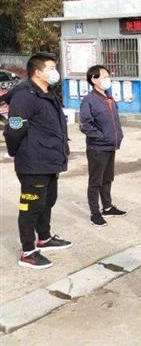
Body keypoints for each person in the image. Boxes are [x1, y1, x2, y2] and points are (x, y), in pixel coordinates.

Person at [3, 53, 72, 269]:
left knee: (47, 201)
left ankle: (44, 237)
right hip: (33, 163)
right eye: (51, 68)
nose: (55, 72)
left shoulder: (47, 93)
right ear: (38, 72)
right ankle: (28, 252)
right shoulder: (24, 97)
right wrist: (17, 152)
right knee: (31, 207)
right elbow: (14, 128)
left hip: (50, 159)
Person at [79, 65, 126, 227]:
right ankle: (95, 213)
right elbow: (85, 125)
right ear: (94, 79)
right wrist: (102, 136)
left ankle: (107, 207)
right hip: (97, 148)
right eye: (104, 77)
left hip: (110, 146)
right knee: (95, 181)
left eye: (108, 76)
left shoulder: (109, 97)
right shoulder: (89, 100)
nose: (108, 79)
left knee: (107, 178)